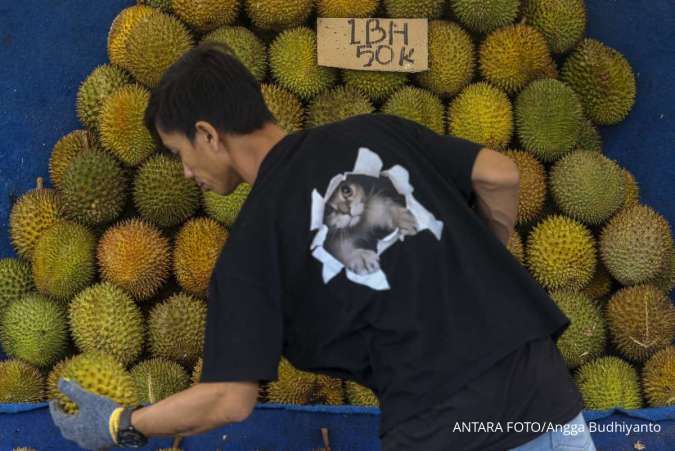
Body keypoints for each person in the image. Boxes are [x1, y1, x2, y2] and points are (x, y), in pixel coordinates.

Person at [50, 42, 597, 451]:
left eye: (180, 153)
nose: (187, 172)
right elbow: (500, 175)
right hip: (539, 390)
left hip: (439, 426)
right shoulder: (378, 132)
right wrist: (483, 257)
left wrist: (124, 423)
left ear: (209, 134)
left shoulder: (250, 247)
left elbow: (228, 399)